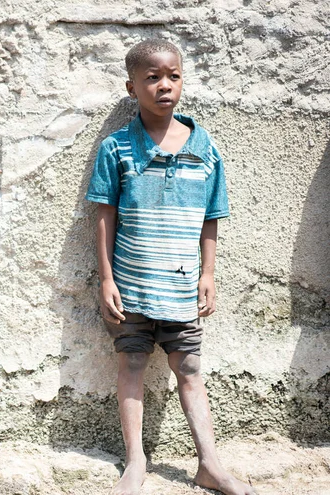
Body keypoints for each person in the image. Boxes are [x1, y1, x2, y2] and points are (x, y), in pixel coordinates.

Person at [85, 39, 257, 495]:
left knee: (190, 368)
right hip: (132, 282)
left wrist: (208, 274)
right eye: (152, 77)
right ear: (131, 87)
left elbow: (212, 216)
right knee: (133, 361)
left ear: (182, 80)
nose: (164, 85)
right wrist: (106, 278)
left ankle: (210, 464)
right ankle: (136, 463)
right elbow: (104, 213)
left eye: (173, 76)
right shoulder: (116, 148)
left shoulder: (205, 148)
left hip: (181, 285)